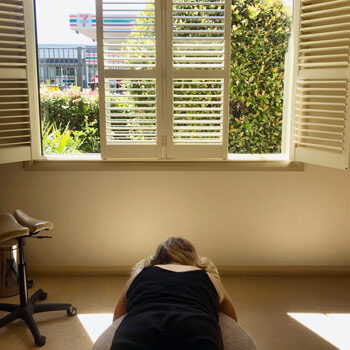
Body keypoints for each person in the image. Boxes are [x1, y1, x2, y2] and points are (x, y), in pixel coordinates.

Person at [111, 237, 238, 350]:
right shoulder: (209, 277)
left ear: (159, 258)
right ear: (192, 257)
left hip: (140, 326)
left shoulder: (140, 273)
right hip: (195, 325)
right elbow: (231, 318)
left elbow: (118, 316)